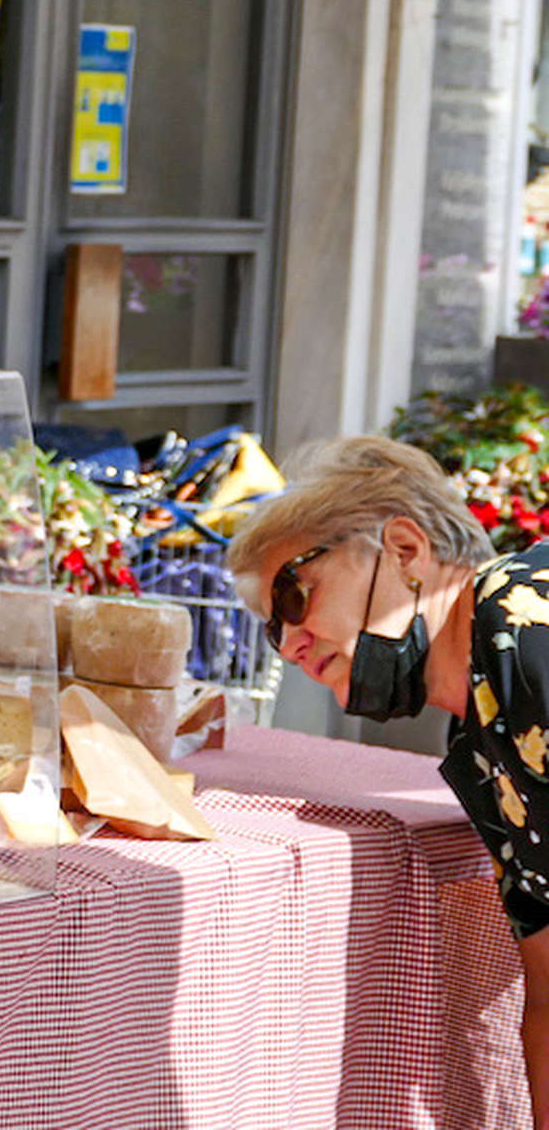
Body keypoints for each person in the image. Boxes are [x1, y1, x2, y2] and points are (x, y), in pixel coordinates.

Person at [225, 436, 549, 1123]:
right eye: (272, 631)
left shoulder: (519, 621)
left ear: (404, 550)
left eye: (295, 594)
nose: (290, 644)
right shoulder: (479, 737)